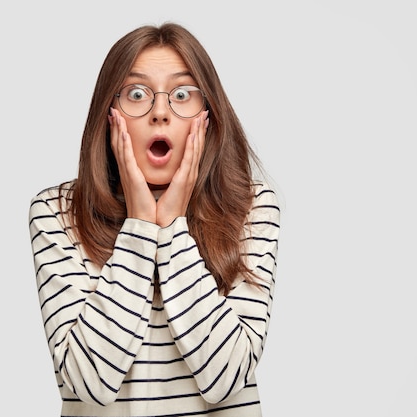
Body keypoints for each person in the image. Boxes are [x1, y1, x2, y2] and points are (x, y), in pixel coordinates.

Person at [28, 22, 281, 417]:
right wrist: (142, 226)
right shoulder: (56, 213)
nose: (160, 112)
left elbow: (227, 378)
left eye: (182, 94)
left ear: (208, 115)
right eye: (136, 94)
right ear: (108, 113)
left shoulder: (251, 209)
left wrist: (172, 229)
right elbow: (89, 383)